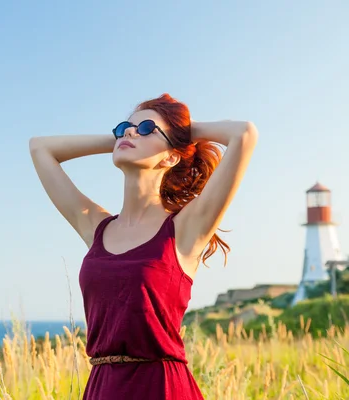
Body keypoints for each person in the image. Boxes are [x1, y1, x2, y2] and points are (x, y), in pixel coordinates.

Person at [29, 93, 258, 399]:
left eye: (147, 128)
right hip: (102, 386)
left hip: (162, 387)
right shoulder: (96, 225)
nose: (131, 132)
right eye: (125, 127)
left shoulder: (185, 228)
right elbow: (40, 148)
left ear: (171, 157)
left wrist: (178, 133)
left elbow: (243, 134)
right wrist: (122, 138)